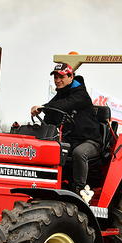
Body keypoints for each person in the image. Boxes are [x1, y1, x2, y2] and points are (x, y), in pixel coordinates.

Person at [31, 63, 102, 195]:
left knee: (79, 153)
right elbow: (51, 115)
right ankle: (44, 184)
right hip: (70, 141)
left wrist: (43, 107)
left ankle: (79, 190)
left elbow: (66, 104)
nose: (57, 81)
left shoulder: (81, 94)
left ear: (71, 77)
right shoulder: (60, 96)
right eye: (56, 77)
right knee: (47, 147)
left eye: (61, 77)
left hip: (90, 142)